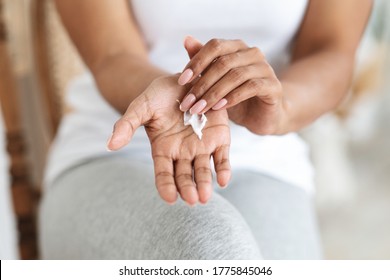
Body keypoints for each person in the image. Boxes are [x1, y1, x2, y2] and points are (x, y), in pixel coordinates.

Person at [39, 0, 372, 259]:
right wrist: (170, 96)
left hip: (268, 161)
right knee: (208, 245)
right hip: (112, 152)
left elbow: (331, 50)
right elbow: (111, 54)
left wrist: (281, 109)